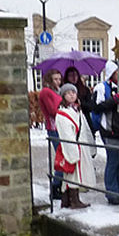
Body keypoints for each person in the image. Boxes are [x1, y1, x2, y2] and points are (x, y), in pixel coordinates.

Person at [91, 61, 119, 205]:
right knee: (114, 161)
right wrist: (112, 101)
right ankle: (112, 192)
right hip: (111, 131)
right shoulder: (102, 88)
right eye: (118, 71)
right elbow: (96, 108)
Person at [55, 83, 96, 209]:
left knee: (75, 174)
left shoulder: (77, 110)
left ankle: (67, 199)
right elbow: (66, 134)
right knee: (72, 174)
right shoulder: (62, 113)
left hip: (80, 146)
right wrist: (72, 151)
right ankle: (73, 199)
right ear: (63, 96)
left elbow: (85, 129)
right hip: (73, 146)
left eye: (73, 92)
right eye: (68, 93)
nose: (72, 95)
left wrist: (89, 145)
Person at [38, 68, 64, 200]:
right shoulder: (46, 92)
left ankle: (59, 185)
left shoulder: (56, 91)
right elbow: (53, 110)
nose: (58, 82)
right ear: (49, 79)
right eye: (55, 79)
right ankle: (56, 186)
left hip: (60, 127)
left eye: (59, 79)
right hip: (54, 127)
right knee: (62, 156)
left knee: (63, 155)